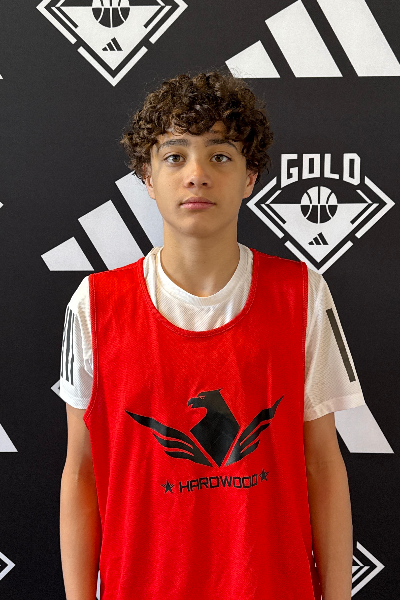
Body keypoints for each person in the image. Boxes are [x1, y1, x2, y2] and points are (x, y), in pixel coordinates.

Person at [59, 70, 366, 600]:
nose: (197, 174)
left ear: (250, 177)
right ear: (148, 177)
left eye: (220, 155)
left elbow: (322, 465)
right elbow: (81, 473)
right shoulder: (95, 304)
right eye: (175, 156)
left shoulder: (301, 293)